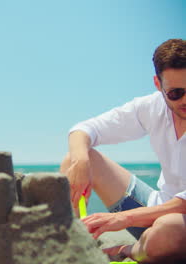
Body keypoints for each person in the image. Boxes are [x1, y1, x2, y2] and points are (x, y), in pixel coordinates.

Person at [60, 39, 186, 263]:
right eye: (176, 93)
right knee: (77, 157)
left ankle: (129, 250)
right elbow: (84, 129)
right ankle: (74, 243)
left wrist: (121, 218)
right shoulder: (152, 107)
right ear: (158, 84)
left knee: (168, 230)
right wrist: (80, 162)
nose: (185, 99)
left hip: (176, 226)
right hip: (152, 209)